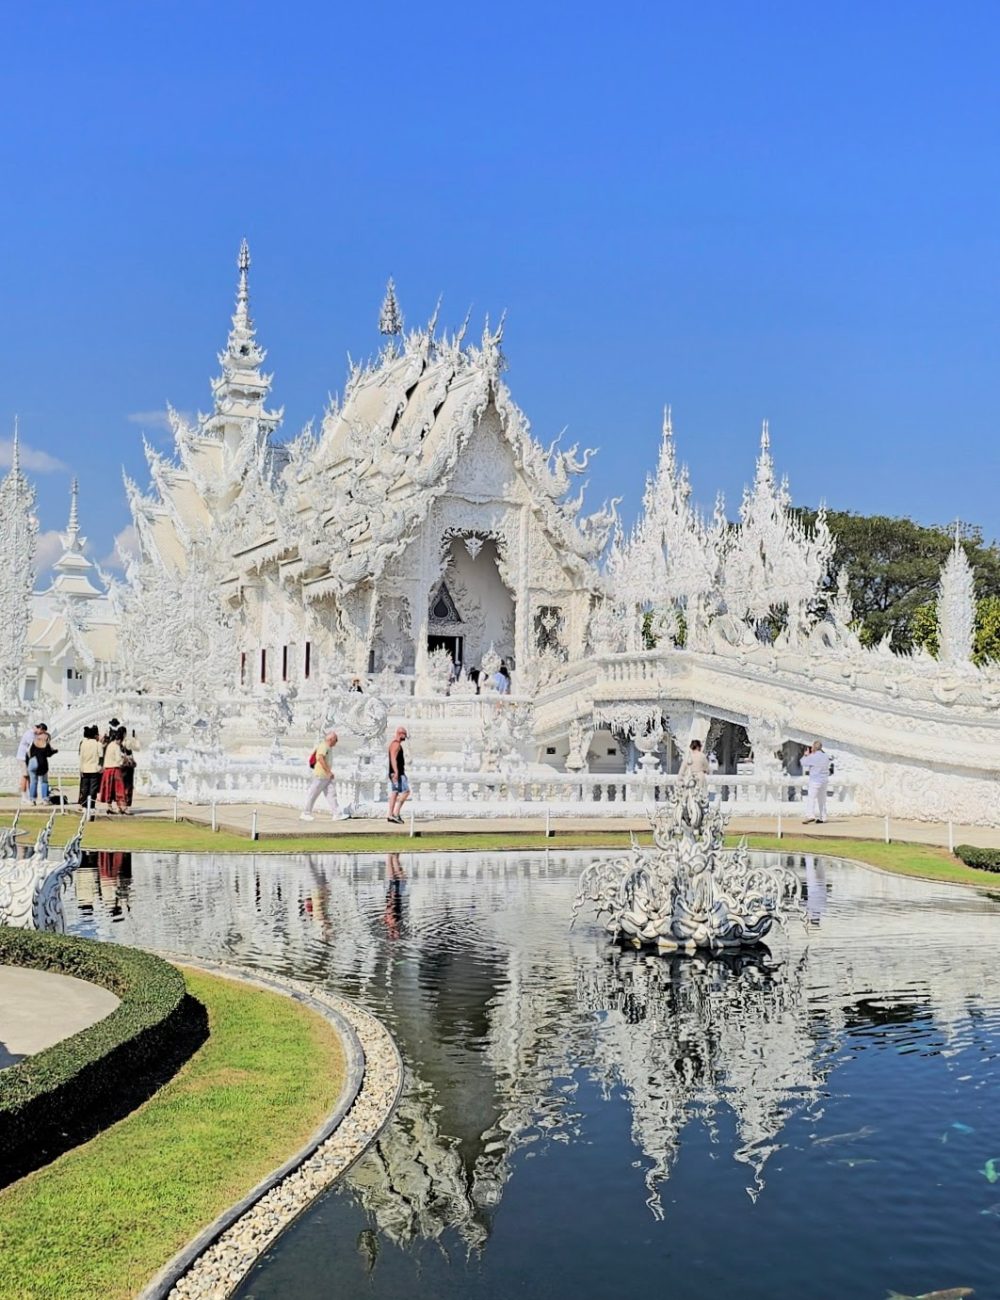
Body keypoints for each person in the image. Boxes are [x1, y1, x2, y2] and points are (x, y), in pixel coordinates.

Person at [301, 730, 351, 821]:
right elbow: (320, 758)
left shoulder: (328, 747)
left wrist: (328, 773)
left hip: (326, 776)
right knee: (313, 794)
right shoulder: (323, 746)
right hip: (320, 775)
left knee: (331, 794)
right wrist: (328, 771)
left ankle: (337, 814)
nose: (336, 742)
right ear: (331, 739)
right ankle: (305, 813)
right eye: (336, 740)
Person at [98, 725, 130, 815]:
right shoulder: (116, 746)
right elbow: (119, 761)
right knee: (119, 789)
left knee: (109, 789)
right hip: (115, 769)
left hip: (107, 770)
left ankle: (109, 806)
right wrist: (125, 760)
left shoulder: (110, 745)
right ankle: (122, 807)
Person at [800, 739, 832, 824]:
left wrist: (806, 755)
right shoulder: (826, 756)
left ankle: (810, 815)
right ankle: (823, 817)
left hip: (815, 780)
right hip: (824, 780)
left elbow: (802, 762)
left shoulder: (812, 756)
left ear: (813, 747)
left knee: (811, 798)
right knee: (822, 799)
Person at [27, 727, 57, 805]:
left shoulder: (34, 742)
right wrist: (55, 751)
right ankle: (45, 799)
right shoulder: (45, 744)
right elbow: (49, 753)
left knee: (33, 782)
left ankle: (32, 800)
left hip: (32, 762)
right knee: (44, 781)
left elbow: (29, 752)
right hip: (41, 762)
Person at [387, 726, 410, 824]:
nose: (405, 737)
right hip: (398, 773)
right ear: (400, 734)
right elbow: (393, 758)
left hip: (395, 773)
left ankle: (390, 815)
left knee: (395, 792)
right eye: (405, 734)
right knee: (406, 792)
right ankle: (396, 813)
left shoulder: (393, 744)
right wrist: (396, 772)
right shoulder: (396, 745)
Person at [79, 725, 102, 814]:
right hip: (94, 769)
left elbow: (81, 757)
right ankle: (91, 805)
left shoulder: (83, 743)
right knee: (93, 789)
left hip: (85, 768)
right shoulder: (97, 744)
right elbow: (101, 756)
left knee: (85, 788)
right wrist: (100, 767)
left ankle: (84, 805)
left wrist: (80, 769)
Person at [16, 723, 39, 803]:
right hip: (23, 758)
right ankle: (24, 796)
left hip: (27, 758)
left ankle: (28, 796)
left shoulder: (33, 734)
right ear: (36, 727)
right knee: (25, 776)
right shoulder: (30, 734)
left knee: (28, 777)